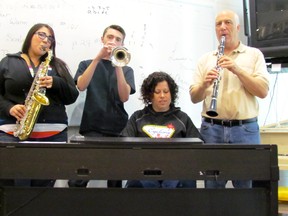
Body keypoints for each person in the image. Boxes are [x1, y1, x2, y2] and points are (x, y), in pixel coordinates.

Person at [189, 10, 269, 189]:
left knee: (245, 188)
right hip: (212, 129)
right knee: (212, 188)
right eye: (218, 24)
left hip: (245, 130)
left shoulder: (254, 55)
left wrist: (237, 69)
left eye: (228, 23)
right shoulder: (205, 59)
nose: (223, 27)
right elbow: (194, 97)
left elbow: (262, 91)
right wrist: (204, 84)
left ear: (238, 27)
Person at [0, 23, 79, 187]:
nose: (46, 40)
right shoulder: (8, 62)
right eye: (41, 35)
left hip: (52, 135)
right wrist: (9, 107)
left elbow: (72, 95)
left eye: (50, 38)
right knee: (13, 189)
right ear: (30, 37)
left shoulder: (57, 65)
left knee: (42, 192)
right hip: (12, 133)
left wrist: (56, 82)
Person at [71, 24, 136, 188]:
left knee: (115, 179)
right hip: (92, 127)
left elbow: (124, 96)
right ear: (102, 39)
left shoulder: (127, 69)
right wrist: (98, 58)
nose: (113, 41)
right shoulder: (86, 64)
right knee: (80, 177)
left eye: (118, 39)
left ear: (122, 44)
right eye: (110, 37)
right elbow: (81, 86)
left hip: (118, 129)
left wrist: (118, 66)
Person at [121, 71, 202, 188]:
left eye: (166, 91)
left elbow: (197, 147)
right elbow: (124, 146)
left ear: (171, 94)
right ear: (149, 95)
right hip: (144, 170)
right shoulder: (137, 117)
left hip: (175, 170)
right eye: (157, 92)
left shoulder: (182, 118)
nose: (162, 96)